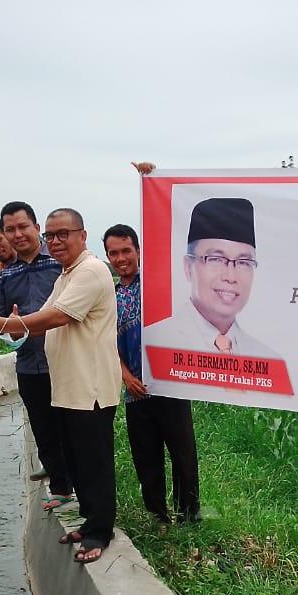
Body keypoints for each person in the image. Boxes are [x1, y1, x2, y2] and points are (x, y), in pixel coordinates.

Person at [0, 208, 119, 563]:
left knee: (94, 462)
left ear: (82, 235)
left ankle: (99, 532)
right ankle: (90, 520)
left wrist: (0, 323)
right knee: (76, 459)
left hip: (89, 386)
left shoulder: (90, 271)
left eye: (64, 234)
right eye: (52, 235)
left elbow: (55, 317)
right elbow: (38, 319)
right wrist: (11, 324)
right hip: (68, 386)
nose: (57, 241)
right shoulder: (66, 275)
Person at [104, 223, 200, 524]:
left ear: (138, 251)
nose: (121, 258)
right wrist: (125, 376)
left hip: (172, 385)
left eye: (126, 251)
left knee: (183, 453)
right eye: (113, 253)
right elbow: (105, 340)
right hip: (136, 389)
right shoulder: (109, 295)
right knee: (146, 456)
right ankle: (157, 514)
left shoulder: (161, 283)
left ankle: (189, 513)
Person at [0, 201, 72, 503]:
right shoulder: (4, 276)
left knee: (72, 427)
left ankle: (81, 486)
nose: (18, 234)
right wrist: (10, 327)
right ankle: (61, 488)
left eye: (23, 226)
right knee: (43, 427)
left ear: (37, 228)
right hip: (29, 364)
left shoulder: (60, 264)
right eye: (10, 229)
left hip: (64, 361)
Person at [147, 196, 278, 359]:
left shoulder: (267, 358)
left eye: (244, 262)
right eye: (216, 259)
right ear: (188, 267)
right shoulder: (154, 344)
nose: (231, 277)